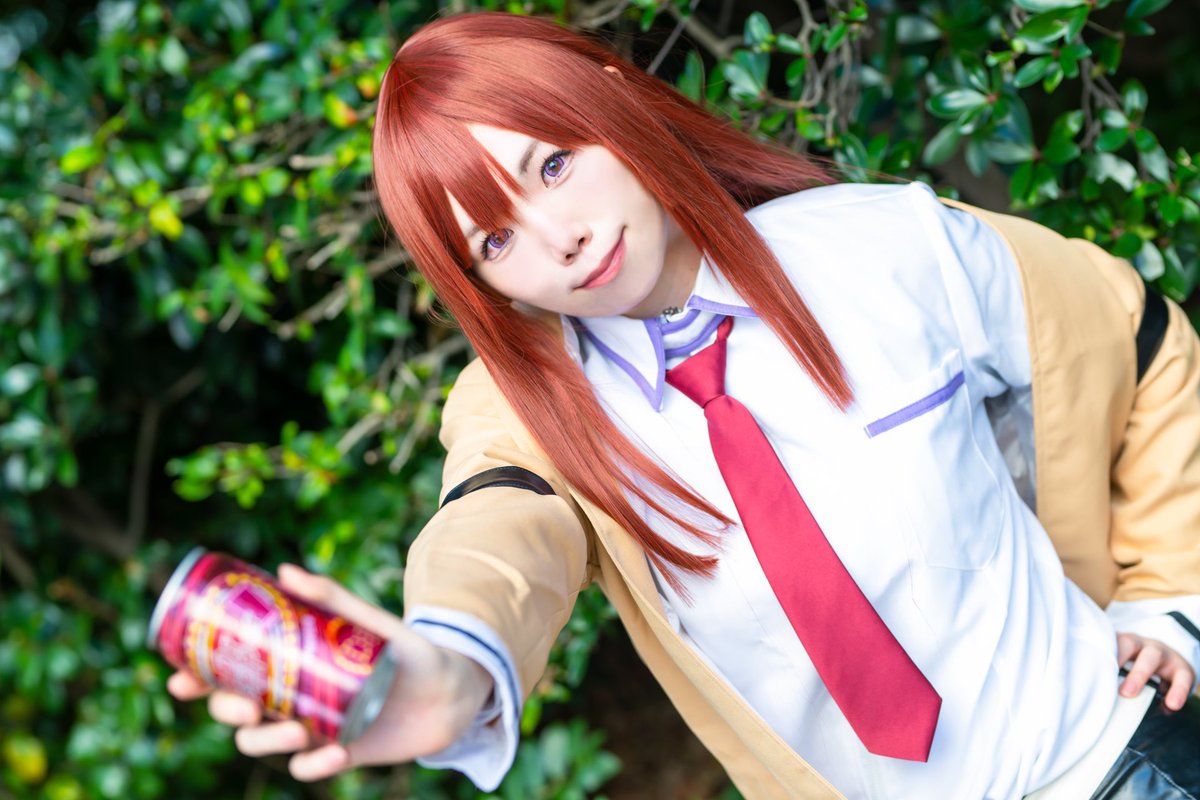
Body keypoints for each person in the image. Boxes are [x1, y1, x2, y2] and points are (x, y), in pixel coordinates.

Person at [166, 11, 1200, 799]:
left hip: (1122, 760)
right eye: (497, 239)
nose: (561, 237)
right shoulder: (534, 409)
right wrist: (448, 663)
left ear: (613, 102)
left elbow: (1140, 340)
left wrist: (1167, 599)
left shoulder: (884, 247)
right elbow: (494, 527)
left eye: (554, 164)